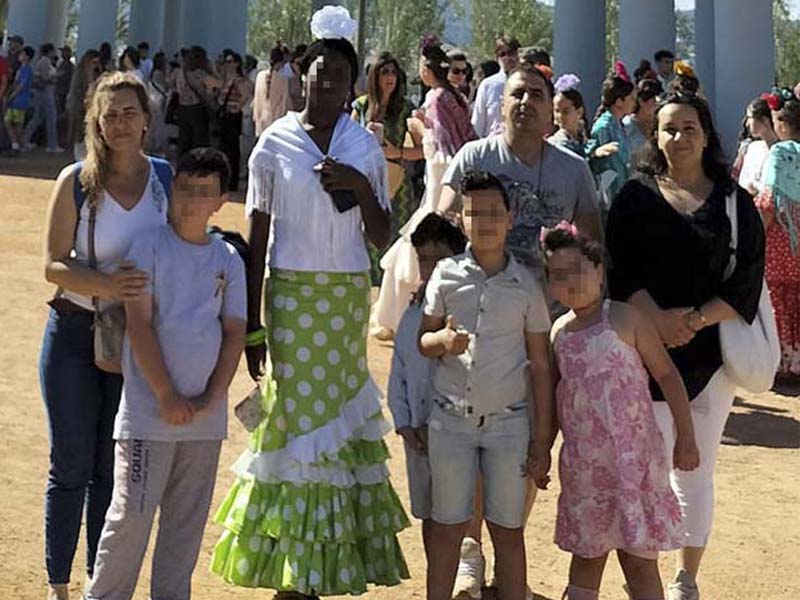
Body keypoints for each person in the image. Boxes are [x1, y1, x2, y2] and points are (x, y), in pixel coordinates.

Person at [210, 13, 410, 596]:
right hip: (292, 299)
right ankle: (292, 574)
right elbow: (256, 237)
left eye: (339, 78)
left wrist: (358, 183)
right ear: (303, 77)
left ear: (353, 85)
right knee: (295, 427)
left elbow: (381, 236)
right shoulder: (275, 142)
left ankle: (322, 572)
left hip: (346, 299)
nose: (326, 87)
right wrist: (252, 325)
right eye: (319, 76)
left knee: (339, 425)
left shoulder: (362, 144)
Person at [605, 92, 765, 600]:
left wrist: (692, 321)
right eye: (669, 128)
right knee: (648, 467)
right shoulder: (634, 197)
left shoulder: (735, 203)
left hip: (710, 358)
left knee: (696, 467)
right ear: (655, 136)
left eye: (689, 127)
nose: (679, 137)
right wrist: (655, 319)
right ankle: (647, 570)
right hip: (642, 355)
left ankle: (685, 578)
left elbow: (746, 281)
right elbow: (617, 267)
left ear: (707, 134)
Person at [84, 147, 245, 600]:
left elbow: (234, 332)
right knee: (129, 521)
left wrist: (212, 397)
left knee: (184, 530)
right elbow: (138, 324)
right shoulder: (149, 246)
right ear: (172, 189)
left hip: (203, 422)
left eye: (204, 192)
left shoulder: (228, 259)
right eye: (185, 189)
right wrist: (167, 395)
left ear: (221, 200)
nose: (192, 201)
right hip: (148, 417)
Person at [40, 71, 173, 600]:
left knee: (111, 468)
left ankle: (102, 584)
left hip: (137, 342)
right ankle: (58, 585)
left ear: (146, 120)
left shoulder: (165, 178)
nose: (120, 122)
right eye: (110, 113)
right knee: (70, 463)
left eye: (129, 112)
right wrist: (107, 284)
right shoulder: (76, 179)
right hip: (75, 333)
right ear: (96, 120)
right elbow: (52, 265)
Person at [543, 224, 699, 600]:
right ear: (549, 285)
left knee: (640, 561)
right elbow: (552, 402)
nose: (572, 282)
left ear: (599, 269)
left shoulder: (627, 318)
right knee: (586, 558)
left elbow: (668, 376)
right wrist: (541, 453)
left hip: (635, 465)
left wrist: (687, 438)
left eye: (579, 269)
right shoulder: (559, 333)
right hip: (585, 470)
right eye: (559, 275)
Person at [419, 170, 554, 600]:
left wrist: (543, 440)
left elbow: (540, 365)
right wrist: (441, 341)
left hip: (508, 425)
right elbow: (424, 338)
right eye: (474, 213)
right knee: (447, 530)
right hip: (451, 421)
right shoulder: (445, 274)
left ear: (510, 218)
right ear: (461, 220)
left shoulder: (527, 285)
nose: (485, 222)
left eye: (494, 212)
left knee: (507, 532)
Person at [440, 64, 602, 271]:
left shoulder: (575, 169)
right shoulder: (473, 157)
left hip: (551, 297)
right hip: (485, 292)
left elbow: (591, 248)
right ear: (502, 106)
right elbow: (443, 226)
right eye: (517, 94)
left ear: (549, 109)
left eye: (536, 95)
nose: (526, 101)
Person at [370, 38, 474, 340]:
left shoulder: (436, 99)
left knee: (414, 250)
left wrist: (418, 129)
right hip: (445, 178)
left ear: (426, 68)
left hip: (440, 181)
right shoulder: (455, 97)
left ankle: (402, 319)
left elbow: (440, 149)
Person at [387, 212, 468, 562]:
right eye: (424, 259)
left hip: (454, 433)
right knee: (429, 512)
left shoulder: (464, 313)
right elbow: (398, 373)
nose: (431, 267)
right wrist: (404, 423)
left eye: (440, 259)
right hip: (417, 437)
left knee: (459, 514)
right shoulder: (409, 315)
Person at [352, 52, 423, 284]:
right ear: (375, 76)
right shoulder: (361, 106)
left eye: (394, 72)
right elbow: (345, 142)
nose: (390, 77)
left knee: (396, 236)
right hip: (367, 181)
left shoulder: (405, 108)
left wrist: (398, 153)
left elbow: (426, 150)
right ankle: (370, 285)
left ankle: (390, 291)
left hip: (397, 184)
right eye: (385, 72)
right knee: (367, 234)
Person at [754, 88, 800, 383]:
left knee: (778, 299)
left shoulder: (779, 153)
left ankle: (783, 364)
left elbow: (769, 200)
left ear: (781, 124)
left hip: (782, 241)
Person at [586, 63, 636, 208]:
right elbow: (598, 167)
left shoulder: (620, 124)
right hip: (609, 196)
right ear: (619, 101)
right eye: (631, 98)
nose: (634, 102)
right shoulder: (604, 126)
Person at [169, 45, 220, 155]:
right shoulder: (200, 73)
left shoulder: (179, 72)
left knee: (184, 140)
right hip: (197, 109)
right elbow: (218, 84)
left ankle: (183, 164)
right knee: (199, 140)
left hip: (182, 108)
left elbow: (171, 86)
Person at [217, 52, 254, 192]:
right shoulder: (226, 79)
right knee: (224, 149)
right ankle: (225, 179)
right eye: (226, 61)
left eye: (230, 61)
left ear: (237, 63)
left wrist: (237, 106)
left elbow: (246, 94)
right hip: (225, 116)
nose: (227, 64)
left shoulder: (239, 80)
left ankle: (232, 182)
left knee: (232, 150)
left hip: (233, 116)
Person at [471, 36, 520, 137]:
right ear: (497, 58)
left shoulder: (527, 82)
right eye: (502, 54)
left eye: (511, 53)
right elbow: (478, 122)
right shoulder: (488, 85)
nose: (507, 58)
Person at [23, 43, 64, 152]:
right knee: (51, 117)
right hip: (46, 92)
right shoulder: (45, 61)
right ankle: (52, 144)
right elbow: (46, 78)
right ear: (49, 51)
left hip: (43, 92)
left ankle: (25, 140)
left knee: (38, 117)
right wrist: (56, 76)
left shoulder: (44, 61)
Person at [66, 49, 102, 159]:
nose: (95, 65)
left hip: (90, 106)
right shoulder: (80, 72)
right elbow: (78, 90)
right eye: (93, 62)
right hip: (78, 105)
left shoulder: (96, 73)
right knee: (77, 131)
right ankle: (77, 155)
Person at [737, 95, 778, 195]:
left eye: (750, 118)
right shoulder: (753, 148)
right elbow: (742, 181)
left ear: (764, 120)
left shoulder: (783, 153)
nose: (747, 123)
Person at [252, 44, 290, 137]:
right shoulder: (283, 79)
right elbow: (284, 103)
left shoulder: (259, 76)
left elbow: (256, 101)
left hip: (261, 121)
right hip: (276, 122)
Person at [3, 45, 34, 152]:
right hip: (15, 99)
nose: (20, 56)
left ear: (27, 57)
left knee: (17, 123)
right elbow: (16, 83)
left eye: (22, 54)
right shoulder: (20, 69)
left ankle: (18, 144)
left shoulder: (27, 70)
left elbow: (21, 85)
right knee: (9, 121)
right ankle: (16, 143)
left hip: (21, 100)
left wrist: (12, 95)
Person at [550, 73, 589, 158]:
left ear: (579, 112)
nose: (560, 116)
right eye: (557, 111)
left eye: (566, 111)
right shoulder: (558, 143)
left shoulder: (581, 134)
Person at [623, 78, 663, 158]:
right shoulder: (627, 126)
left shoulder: (659, 124)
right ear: (641, 101)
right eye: (654, 101)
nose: (657, 106)